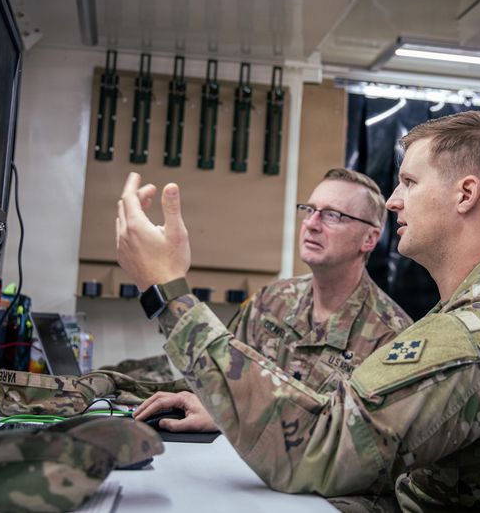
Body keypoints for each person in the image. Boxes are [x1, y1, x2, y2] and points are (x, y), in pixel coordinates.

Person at [116, 111, 480, 511]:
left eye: (409, 182)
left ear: (466, 194)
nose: (395, 201)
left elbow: (319, 448)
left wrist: (166, 290)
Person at [134, 169, 412, 432]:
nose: (312, 225)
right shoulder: (271, 301)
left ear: (369, 238)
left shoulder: (392, 336)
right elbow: (222, 381)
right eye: (309, 210)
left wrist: (230, 418)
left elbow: (357, 443)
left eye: (332, 215)